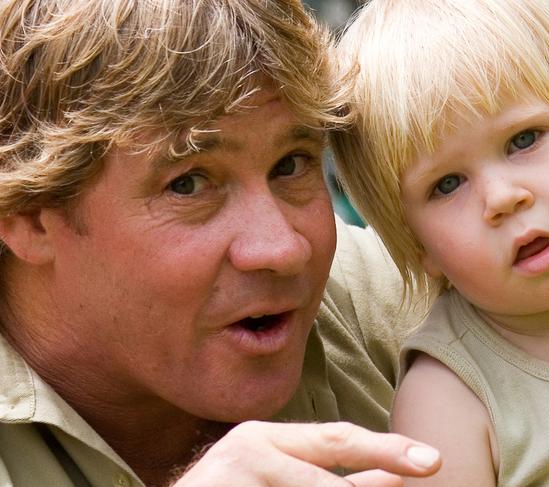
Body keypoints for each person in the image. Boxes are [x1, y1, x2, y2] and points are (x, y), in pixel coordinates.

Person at [0, 1, 442, 486]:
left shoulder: (411, 304)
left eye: (291, 165)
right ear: (26, 218)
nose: (283, 249)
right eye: (188, 184)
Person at [330, 0, 549, 484]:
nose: (501, 199)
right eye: (447, 184)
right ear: (419, 247)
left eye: (524, 140)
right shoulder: (449, 400)